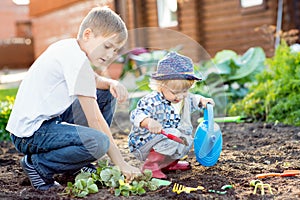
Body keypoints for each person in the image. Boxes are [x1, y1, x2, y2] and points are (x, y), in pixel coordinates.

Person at [6, 7, 141, 190]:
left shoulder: (71, 49)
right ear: (87, 34)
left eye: (115, 50)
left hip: (49, 123)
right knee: (98, 142)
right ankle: (38, 165)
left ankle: (75, 164)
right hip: (30, 134)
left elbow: (94, 80)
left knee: (106, 95)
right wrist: (121, 163)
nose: (110, 54)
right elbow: (94, 120)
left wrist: (111, 83)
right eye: (107, 46)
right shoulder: (75, 60)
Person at [128, 51, 215, 179]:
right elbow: (136, 114)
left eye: (184, 91)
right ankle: (150, 167)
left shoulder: (183, 98)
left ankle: (168, 164)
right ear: (160, 86)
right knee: (174, 135)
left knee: (185, 138)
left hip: (168, 137)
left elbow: (194, 99)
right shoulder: (152, 101)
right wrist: (148, 121)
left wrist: (202, 100)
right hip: (145, 143)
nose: (179, 96)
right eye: (175, 92)